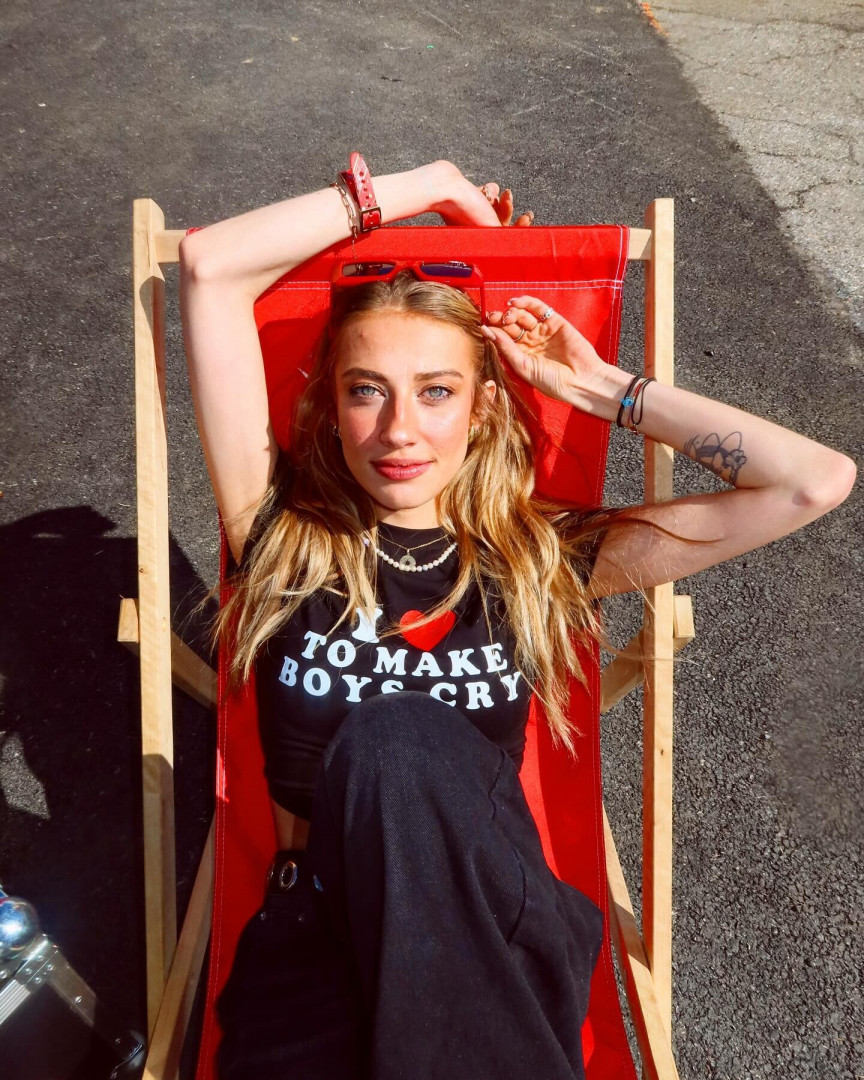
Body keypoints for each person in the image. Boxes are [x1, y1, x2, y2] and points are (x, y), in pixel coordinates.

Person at [178, 156, 856, 1080]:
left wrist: (601, 388)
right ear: (331, 409)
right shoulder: (282, 538)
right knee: (388, 744)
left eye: (437, 391)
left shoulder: (538, 559)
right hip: (318, 946)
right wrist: (431, 185)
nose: (399, 429)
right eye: (366, 389)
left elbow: (812, 481)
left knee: (396, 740)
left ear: (483, 406)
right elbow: (211, 266)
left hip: (490, 936)